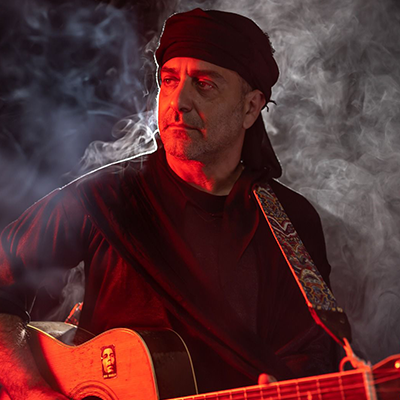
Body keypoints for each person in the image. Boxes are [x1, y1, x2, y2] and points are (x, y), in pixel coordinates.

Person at [0, 8, 344, 400]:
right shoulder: (105, 197)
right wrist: (29, 388)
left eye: (204, 84)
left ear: (251, 107)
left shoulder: (290, 223)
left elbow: (311, 360)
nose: (178, 101)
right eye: (169, 80)